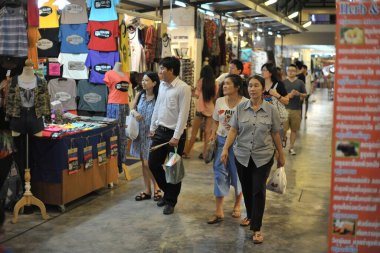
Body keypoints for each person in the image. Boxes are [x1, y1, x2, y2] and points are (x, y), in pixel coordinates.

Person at [220, 75, 285, 244]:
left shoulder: (271, 110)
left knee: (258, 190)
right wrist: (226, 148)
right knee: (247, 189)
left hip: (263, 157)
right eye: (250, 86)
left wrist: (281, 154)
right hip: (242, 155)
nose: (252, 89)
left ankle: (256, 228)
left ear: (263, 89)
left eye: (256, 86)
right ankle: (250, 215)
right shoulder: (241, 108)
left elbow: (276, 133)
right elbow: (233, 130)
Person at [148, 57, 191, 215]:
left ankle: (171, 201)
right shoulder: (162, 86)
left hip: (175, 135)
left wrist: (177, 136)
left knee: (173, 169)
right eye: (159, 68)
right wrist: (153, 127)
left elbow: (183, 114)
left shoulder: (183, 88)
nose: (159, 71)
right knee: (153, 163)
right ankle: (169, 193)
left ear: (171, 70)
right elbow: (158, 106)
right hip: (160, 131)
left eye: (162, 69)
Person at [207, 74, 247, 225]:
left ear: (237, 87)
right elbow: (215, 120)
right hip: (221, 140)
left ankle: (237, 204)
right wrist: (212, 134)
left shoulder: (245, 103)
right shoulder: (219, 101)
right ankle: (219, 210)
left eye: (228, 84)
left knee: (237, 174)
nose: (224, 86)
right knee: (219, 173)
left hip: (239, 143)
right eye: (223, 84)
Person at [130, 72, 161, 202]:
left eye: (147, 80)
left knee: (149, 163)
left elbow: (162, 115)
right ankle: (148, 190)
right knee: (144, 163)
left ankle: (157, 188)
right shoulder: (140, 95)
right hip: (140, 133)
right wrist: (134, 112)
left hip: (152, 134)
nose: (143, 82)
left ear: (154, 83)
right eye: (143, 80)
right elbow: (131, 108)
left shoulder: (159, 97)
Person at [183, 65, 218, 159]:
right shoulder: (215, 83)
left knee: (194, 133)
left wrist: (194, 91)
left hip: (200, 109)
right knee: (208, 133)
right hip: (210, 110)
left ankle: (186, 152)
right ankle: (205, 154)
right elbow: (214, 97)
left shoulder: (200, 81)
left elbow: (197, 95)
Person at [261, 62, 289, 146]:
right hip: (261, 116)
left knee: (276, 142)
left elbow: (286, 101)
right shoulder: (260, 84)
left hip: (275, 118)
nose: (262, 72)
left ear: (270, 72)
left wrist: (276, 95)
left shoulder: (279, 84)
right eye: (262, 70)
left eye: (264, 70)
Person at [283, 64, 307, 155]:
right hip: (284, 109)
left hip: (296, 109)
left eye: (293, 70)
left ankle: (291, 147)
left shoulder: (300, 82)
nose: (291, 72)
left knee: (294, 130)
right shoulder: (283, 82)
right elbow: (278, 96)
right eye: (289, 70)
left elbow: (305, 94)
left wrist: (299, 94)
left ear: (296, 72)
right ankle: (281, 145)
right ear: (287, 71)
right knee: (283, 130)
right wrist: (289, 95)